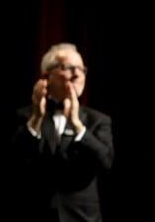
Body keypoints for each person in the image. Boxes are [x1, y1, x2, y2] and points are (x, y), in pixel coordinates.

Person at [8, 42, 114, 222]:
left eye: (82, 69)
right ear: (46, 76)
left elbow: (105, 162)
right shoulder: (24, 116)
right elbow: (14, 162)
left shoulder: (99, 120)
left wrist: (77, 125)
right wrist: (36, 120)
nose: (77, 74)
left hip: (83, 217)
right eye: (69, 68)